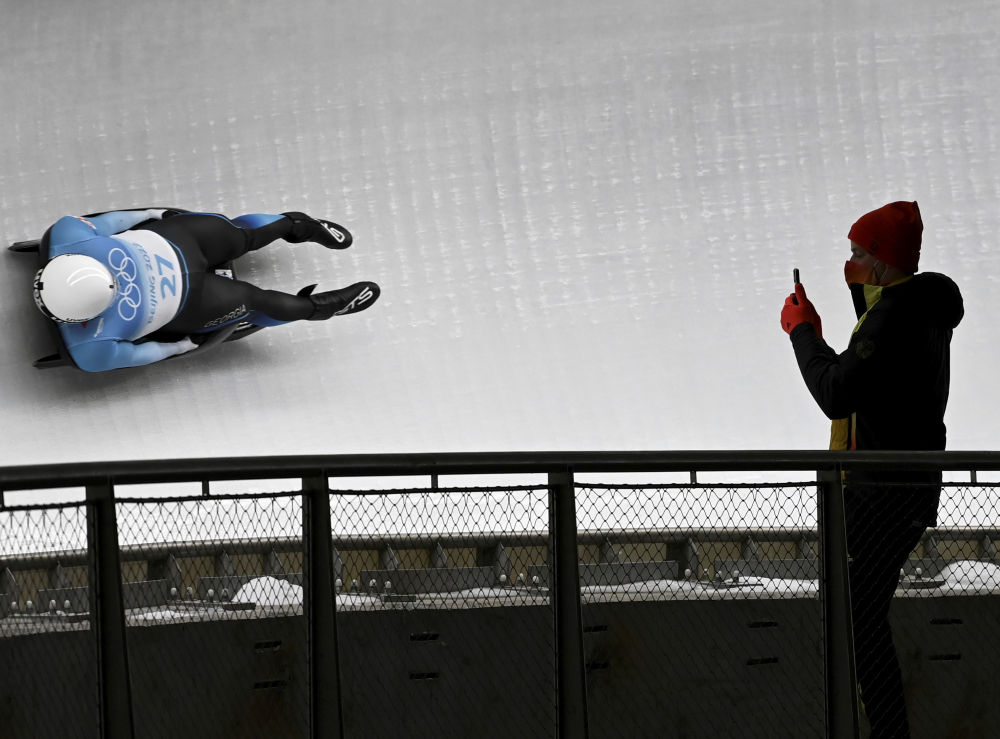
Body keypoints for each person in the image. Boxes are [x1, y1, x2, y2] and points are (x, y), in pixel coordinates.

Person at [780, 201, 964, 737]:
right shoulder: (923, 313)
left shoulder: (896, 316)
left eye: (859, 254)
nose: (850, 263)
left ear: (882, 261)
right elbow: (863, 373)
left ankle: (886, 731)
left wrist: (802, 332)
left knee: (859, 621)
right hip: (909, 495)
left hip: (878, 497)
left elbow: (837, 392)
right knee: (864, 616)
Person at [32, 208, 380, 372]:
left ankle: (297, 225)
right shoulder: (65, 236)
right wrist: (183, 344)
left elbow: (120, 219)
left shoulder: (90, 350)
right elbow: (144, 355)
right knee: (258, 301)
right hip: (192, 303)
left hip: (181, 244)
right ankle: (320, 307)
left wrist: (157, 213)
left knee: (240, 236)